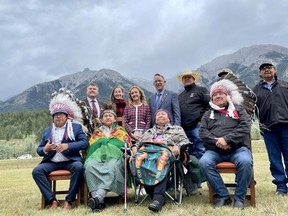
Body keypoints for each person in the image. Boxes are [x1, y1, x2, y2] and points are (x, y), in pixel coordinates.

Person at [199, 79, 253, 209]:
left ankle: (239, 198)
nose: (217, 96)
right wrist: (217, 141)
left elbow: (245, 126)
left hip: (237, 149)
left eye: (220, 94)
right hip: (215, 151)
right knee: (204, 163)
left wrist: (227, 139)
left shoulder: (239, 110)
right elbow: (202, 132)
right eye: (214, 95)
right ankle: (223, 195)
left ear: (227, 96)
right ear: (212, 99)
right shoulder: (208, 114)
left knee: (246, 161)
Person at [32, 90, 89, 210]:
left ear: (67, 117)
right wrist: (46, 149)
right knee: (37, 171)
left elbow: (85, 143)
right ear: (52, 119)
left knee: (79, 167)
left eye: (61, 114)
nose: (58, 117)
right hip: (51, 162)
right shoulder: (47, 131)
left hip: (70, 160)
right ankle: (52, 200)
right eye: (55, 115)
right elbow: (39, 149)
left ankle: (69, 200)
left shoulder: (76, 127)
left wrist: (68, 146)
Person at [130, 109, 191, 212]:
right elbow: (137, 144)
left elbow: (185, 141)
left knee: (161, 160)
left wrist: (178, 146)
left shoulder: (177, 129)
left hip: (166, 151)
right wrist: (134, 149)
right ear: (155, 119)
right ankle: (155, 195)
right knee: (137, 159)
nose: (160, 116)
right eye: (158, 114)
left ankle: (158, 199)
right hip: (148, 153)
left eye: (163, 114)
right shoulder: (149, 131)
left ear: (169, 118)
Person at [84, 109, 131, 212]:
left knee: (112, 167)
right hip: (97, 157)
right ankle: (98, 201)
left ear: (114, 119)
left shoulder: (121, 131)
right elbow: (92, 146)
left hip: (115, 157)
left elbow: (126, 144)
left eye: (110, 116)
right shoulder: (97, 132)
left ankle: (97, 199)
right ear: (101, 119)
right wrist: (104, 142)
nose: (108, 117)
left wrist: (107, 143)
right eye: (105, 116)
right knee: (89, 166)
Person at [253, 62, 288, 196]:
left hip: (286, 126)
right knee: (274, 159)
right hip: (268, 129)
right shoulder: (255, 90)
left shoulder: (285, 85)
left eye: (269, 68)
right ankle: (281, 187)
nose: (267, 70)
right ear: (260, 73)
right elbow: (252, 111)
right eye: (263, 69)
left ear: (275, 70)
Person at [178, 70, 210, 159]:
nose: (187, 79)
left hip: (197, 127)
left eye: (189, 77)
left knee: (200, 149)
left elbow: (209, 106)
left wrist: (202, 120)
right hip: (184, 129)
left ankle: (203, 172)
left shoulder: (201, 90)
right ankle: (192, 172)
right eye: (185, 77)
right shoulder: (180, 96)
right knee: (188, 153)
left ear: (193, 79)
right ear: (182, 80)